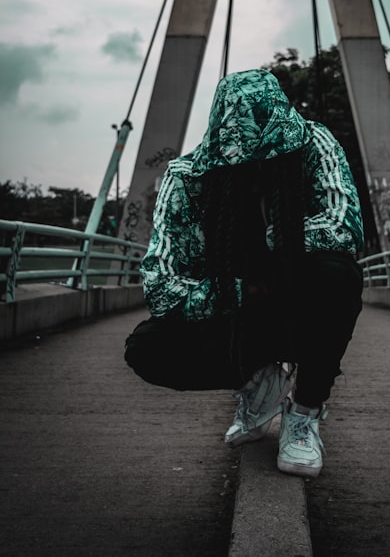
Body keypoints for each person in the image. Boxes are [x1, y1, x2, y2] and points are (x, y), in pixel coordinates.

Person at [125, 68, 364, 477]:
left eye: (270, 159)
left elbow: (346, 229)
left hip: (295, 307)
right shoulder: (187, 178)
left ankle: (304, 412)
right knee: (146, 348)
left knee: (337, 274)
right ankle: (258, 380)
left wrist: (278, 247)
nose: (257, 172)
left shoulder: (314, 143)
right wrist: (240, 291)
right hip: (234, 317)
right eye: (243, 163)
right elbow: (161, 286)